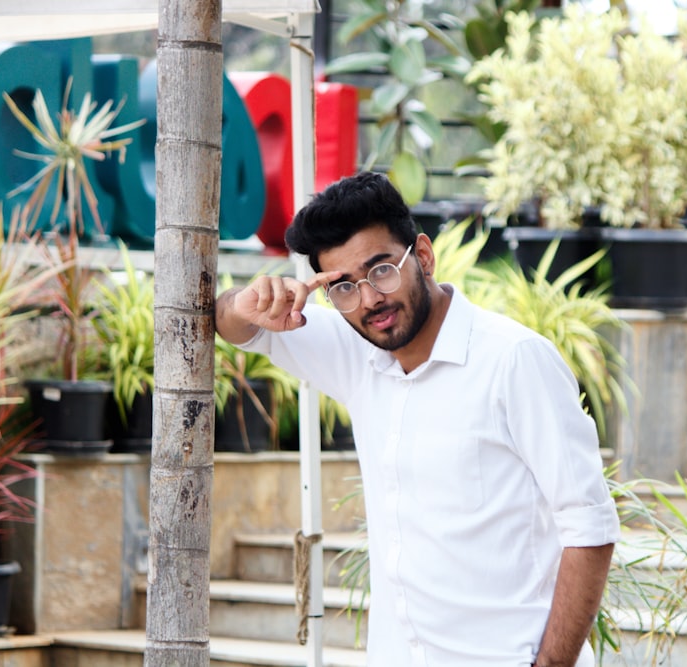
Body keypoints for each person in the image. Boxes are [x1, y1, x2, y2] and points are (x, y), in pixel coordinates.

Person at [215, 172, 620, 667]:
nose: (369, 299)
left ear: (422, 257)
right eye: (342, 286)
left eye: (381, 270)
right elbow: (233, 326)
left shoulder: (513, 360)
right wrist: (251, 302)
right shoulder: (357, 353)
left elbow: (590, 524)